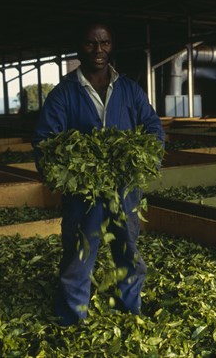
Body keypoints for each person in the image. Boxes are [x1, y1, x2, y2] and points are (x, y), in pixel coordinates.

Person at [32, 21, 165, 326]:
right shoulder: (64, 93)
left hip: (125, 189)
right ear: (80, 47)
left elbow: (153, 126)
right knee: (79, 257)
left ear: (112, 46)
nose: (98, 50)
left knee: (127, 252)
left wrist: (146, 160)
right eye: (91, 43)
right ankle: (71, 318)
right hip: (84, 194)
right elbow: (44, 139)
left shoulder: (129, 89)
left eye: (104, 43)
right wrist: (67, 174)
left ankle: (129, 309)